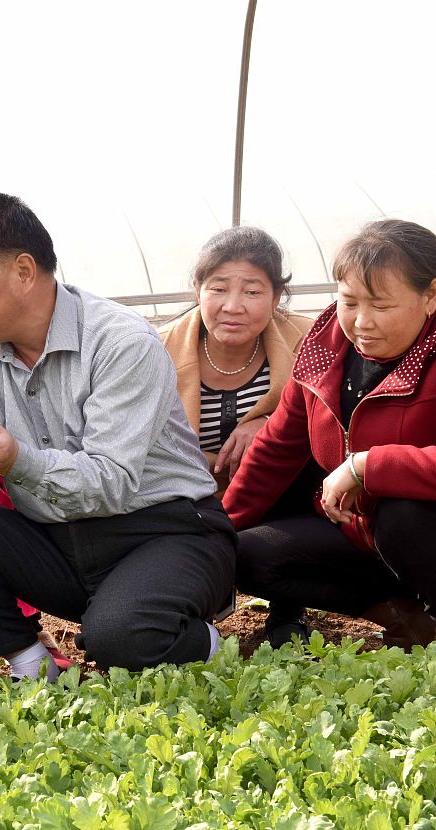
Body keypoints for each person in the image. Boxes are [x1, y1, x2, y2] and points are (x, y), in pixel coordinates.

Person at [0, 193, 236, 678]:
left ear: (22, 272)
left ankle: (196, 636)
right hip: (62, 542)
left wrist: (17, 460)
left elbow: (113, 482)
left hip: (166, 532)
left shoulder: (120, 343)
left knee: (121, 637)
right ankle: (29, 661)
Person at [226, 219, 436, 648]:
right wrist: (214, 534)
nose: (362, 322)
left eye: (381, 306)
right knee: (244, 552)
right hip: (364, 534)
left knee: (406, 509)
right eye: (349, 301)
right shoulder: (326, 347)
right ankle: (405, 618)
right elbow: (275, 451)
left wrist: (366, 465)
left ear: (431, 294)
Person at [159, 226, 313, 647]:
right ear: (197, 288)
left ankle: (288, 609)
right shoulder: (156, 350)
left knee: (299, 456)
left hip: (275, 494)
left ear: (277, 296)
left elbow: (333, 416)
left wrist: (273, 424)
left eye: (252, 291)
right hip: (186, 493)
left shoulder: (308, 340)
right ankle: (192, 612)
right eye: (219, 288)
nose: (233, 306)